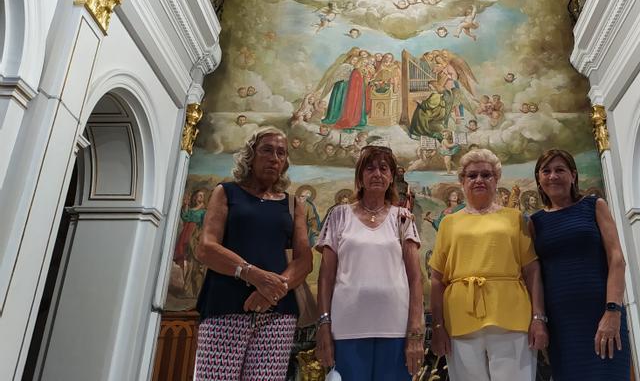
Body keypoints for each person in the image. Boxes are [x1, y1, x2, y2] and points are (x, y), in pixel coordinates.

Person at [194, 127, 313, 380]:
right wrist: (255, 276)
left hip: (276, 313)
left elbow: (304, 260)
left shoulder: (293, 204)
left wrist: (272, 291)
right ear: (250, 155)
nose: (274, 158)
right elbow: (206, 247)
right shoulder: (226, 192)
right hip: (225, 306)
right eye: (267, 150)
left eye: (281, 153)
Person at [429, 148, 548, 380]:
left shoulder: (515, 218)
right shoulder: (448, 223)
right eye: (472, 175)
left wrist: (538, 318)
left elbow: (532, 270)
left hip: (511, 316)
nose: (479, 180)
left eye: (486, 175)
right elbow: (436, 278)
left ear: (497, 179)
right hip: (460, 317)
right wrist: (438, 326)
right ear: (462, 181)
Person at [315, 146, 425, 380]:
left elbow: (416, 279)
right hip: (347, 328)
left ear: (391, 177)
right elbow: (325, 277)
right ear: (360, 176)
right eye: (370, 168)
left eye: (384, 168)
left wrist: (415, 331)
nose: (377, 173)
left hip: (395, 328)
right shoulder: (339, 215)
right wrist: (324, 324)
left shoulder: (402, 217)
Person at [530, 149, 630, 380]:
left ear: (573, 175)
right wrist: (540, 320)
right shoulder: (535, 223)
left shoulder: (594, 206)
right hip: (562, 324)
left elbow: (617, 259)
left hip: (601, 313)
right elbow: (536, 276)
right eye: (546, 171)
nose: (553, 176)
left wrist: (613, 310)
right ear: (539, 179)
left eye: (560, 170)